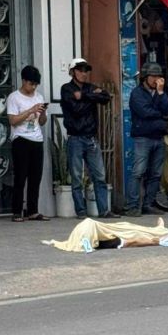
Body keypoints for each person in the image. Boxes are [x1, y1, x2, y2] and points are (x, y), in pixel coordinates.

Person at [61, 58, 116, 218]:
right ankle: (81, 211)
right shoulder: (66, 89)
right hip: (75, 137)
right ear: (73, 72)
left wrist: (84, 95)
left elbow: (106, 97)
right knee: (77, 178)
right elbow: (75, 109)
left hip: (91, 137)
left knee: (99, 176)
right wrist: (92, 97)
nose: (84, 73)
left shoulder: (88, 88)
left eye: (85, 71)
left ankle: (104, 210)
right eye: (80, 70)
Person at [126, 63, 168, 217]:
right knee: (138, 172)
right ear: (145, 77)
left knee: (156, 174)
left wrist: (160, 93)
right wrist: (160, 113)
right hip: (143, 138)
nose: (156, 80)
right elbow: (145, 112)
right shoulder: (137, 93)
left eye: (158, 76)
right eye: (153, 76)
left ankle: (148, 204)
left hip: (158, 137)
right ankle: (132, 206)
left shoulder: (160, 92)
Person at [6, 65, 49, 222]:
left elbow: (42, 122)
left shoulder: (39, 97)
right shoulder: (14, 97)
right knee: (20, 176)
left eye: (36, 84)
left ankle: (33, 210)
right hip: (21, 139)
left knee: (35, 177)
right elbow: (13, 120)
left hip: (37, 139)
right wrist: (30, 110)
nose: (33, 87)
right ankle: (17, 211)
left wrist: (42, 113)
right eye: (31, 84)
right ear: (24, 81)